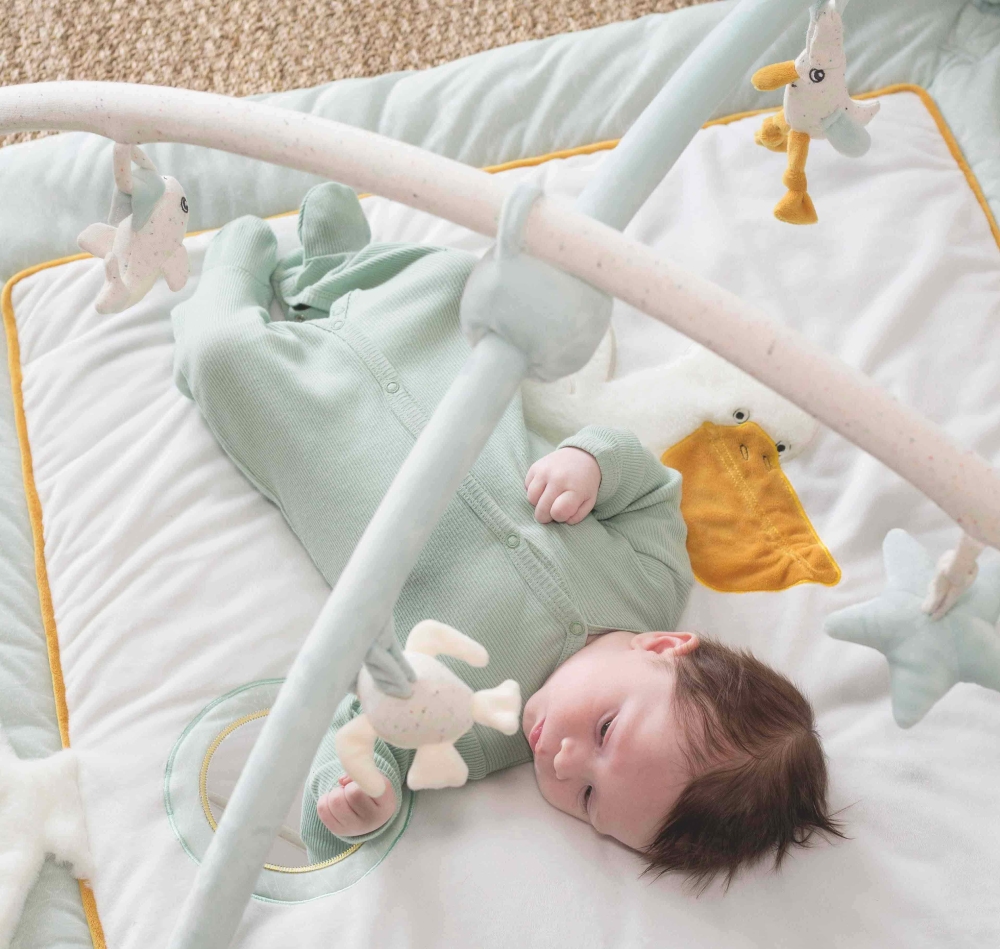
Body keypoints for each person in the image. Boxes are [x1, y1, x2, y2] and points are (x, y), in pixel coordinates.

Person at [170, 182, 840, 888]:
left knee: (221, 357)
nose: (564, 760)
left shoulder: (475, 731)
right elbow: (647, 486)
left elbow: (376, 729)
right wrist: (589, 464)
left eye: (586, 800)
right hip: (442, 374)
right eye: (606, 732)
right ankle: (337, 268)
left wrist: (362, 800)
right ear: (665, 648)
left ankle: (230, 271)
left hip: (319, 434)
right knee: (444, 285)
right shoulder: (652, 583)